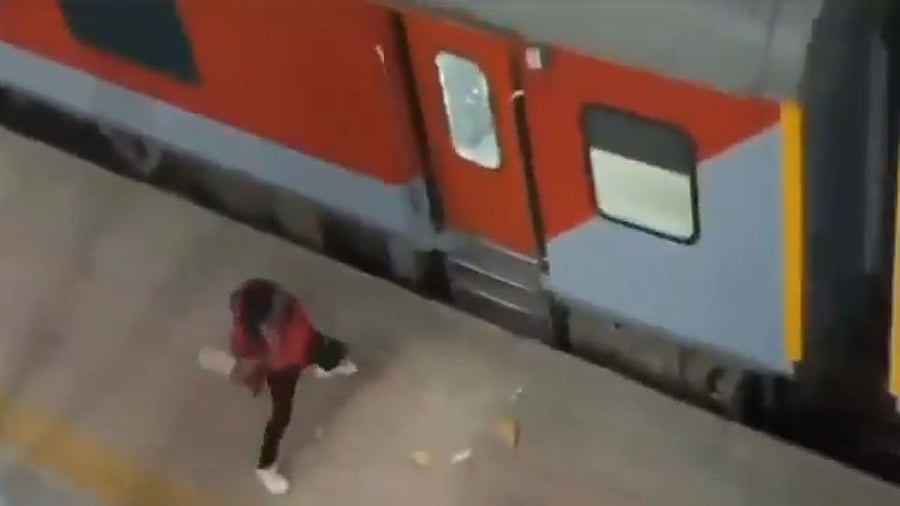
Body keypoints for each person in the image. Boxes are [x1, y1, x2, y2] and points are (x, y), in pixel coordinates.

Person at [228, 278, 357, 495]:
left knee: (335, 350)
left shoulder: (284, 304)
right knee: (281, 416)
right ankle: (265, 467)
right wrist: (253, 373)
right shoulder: (248, 335)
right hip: (282, 369)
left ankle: (327, 365)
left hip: (303, 345)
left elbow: (301, 319)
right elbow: (247, 362)